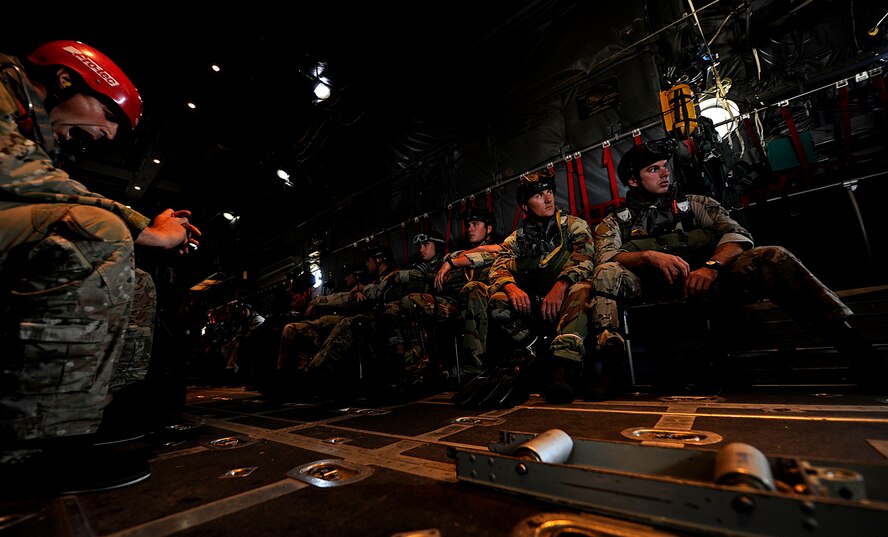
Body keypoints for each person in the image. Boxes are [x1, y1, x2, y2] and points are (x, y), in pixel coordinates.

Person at [0, 40, 200, 493]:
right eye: (109, 115)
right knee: (98, 231)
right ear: (65, 80)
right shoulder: (3, 84)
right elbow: (14, 169)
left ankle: (96, 412)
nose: (109, 135)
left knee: (139, 281)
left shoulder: (29, 120)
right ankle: (36, 445)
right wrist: (148, 231)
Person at [588, 139, 888, 396]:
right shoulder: (618, 221)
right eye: (653, 169)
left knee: (773, 256)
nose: (665, 173)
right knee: (606, 273)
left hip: (712, 281)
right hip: (653, 288)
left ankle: (861, 354)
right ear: (633, 180)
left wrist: (711, 267)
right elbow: (607, 256)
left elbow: (738, 236)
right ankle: (612, 370)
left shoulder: (696, 204)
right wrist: (648, 256)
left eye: (665, 165)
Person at [486, 170, 596, 404]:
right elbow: (497, 268)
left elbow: (585, 259)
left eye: (549, 192)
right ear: (524, 206)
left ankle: (562, 369)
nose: (548, 200)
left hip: (566, 300)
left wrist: (561, 285)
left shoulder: (573, 226)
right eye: (538, 195)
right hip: (534, 303)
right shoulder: (515, 240)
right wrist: (511, 288)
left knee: (582, 288)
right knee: (497, 300)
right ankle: (535, 351)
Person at [432, 207, 502, 373]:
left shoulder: (498, 250)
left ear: (489, 228)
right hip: (461, 305)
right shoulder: (460, 254)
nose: (469, 228)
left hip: (489, 304)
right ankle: (425, 367)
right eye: (468, 225)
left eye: (475, 224)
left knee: (474, 288)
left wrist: (451, 263)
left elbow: (487, 253)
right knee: (412, 302)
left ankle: (473, 368)